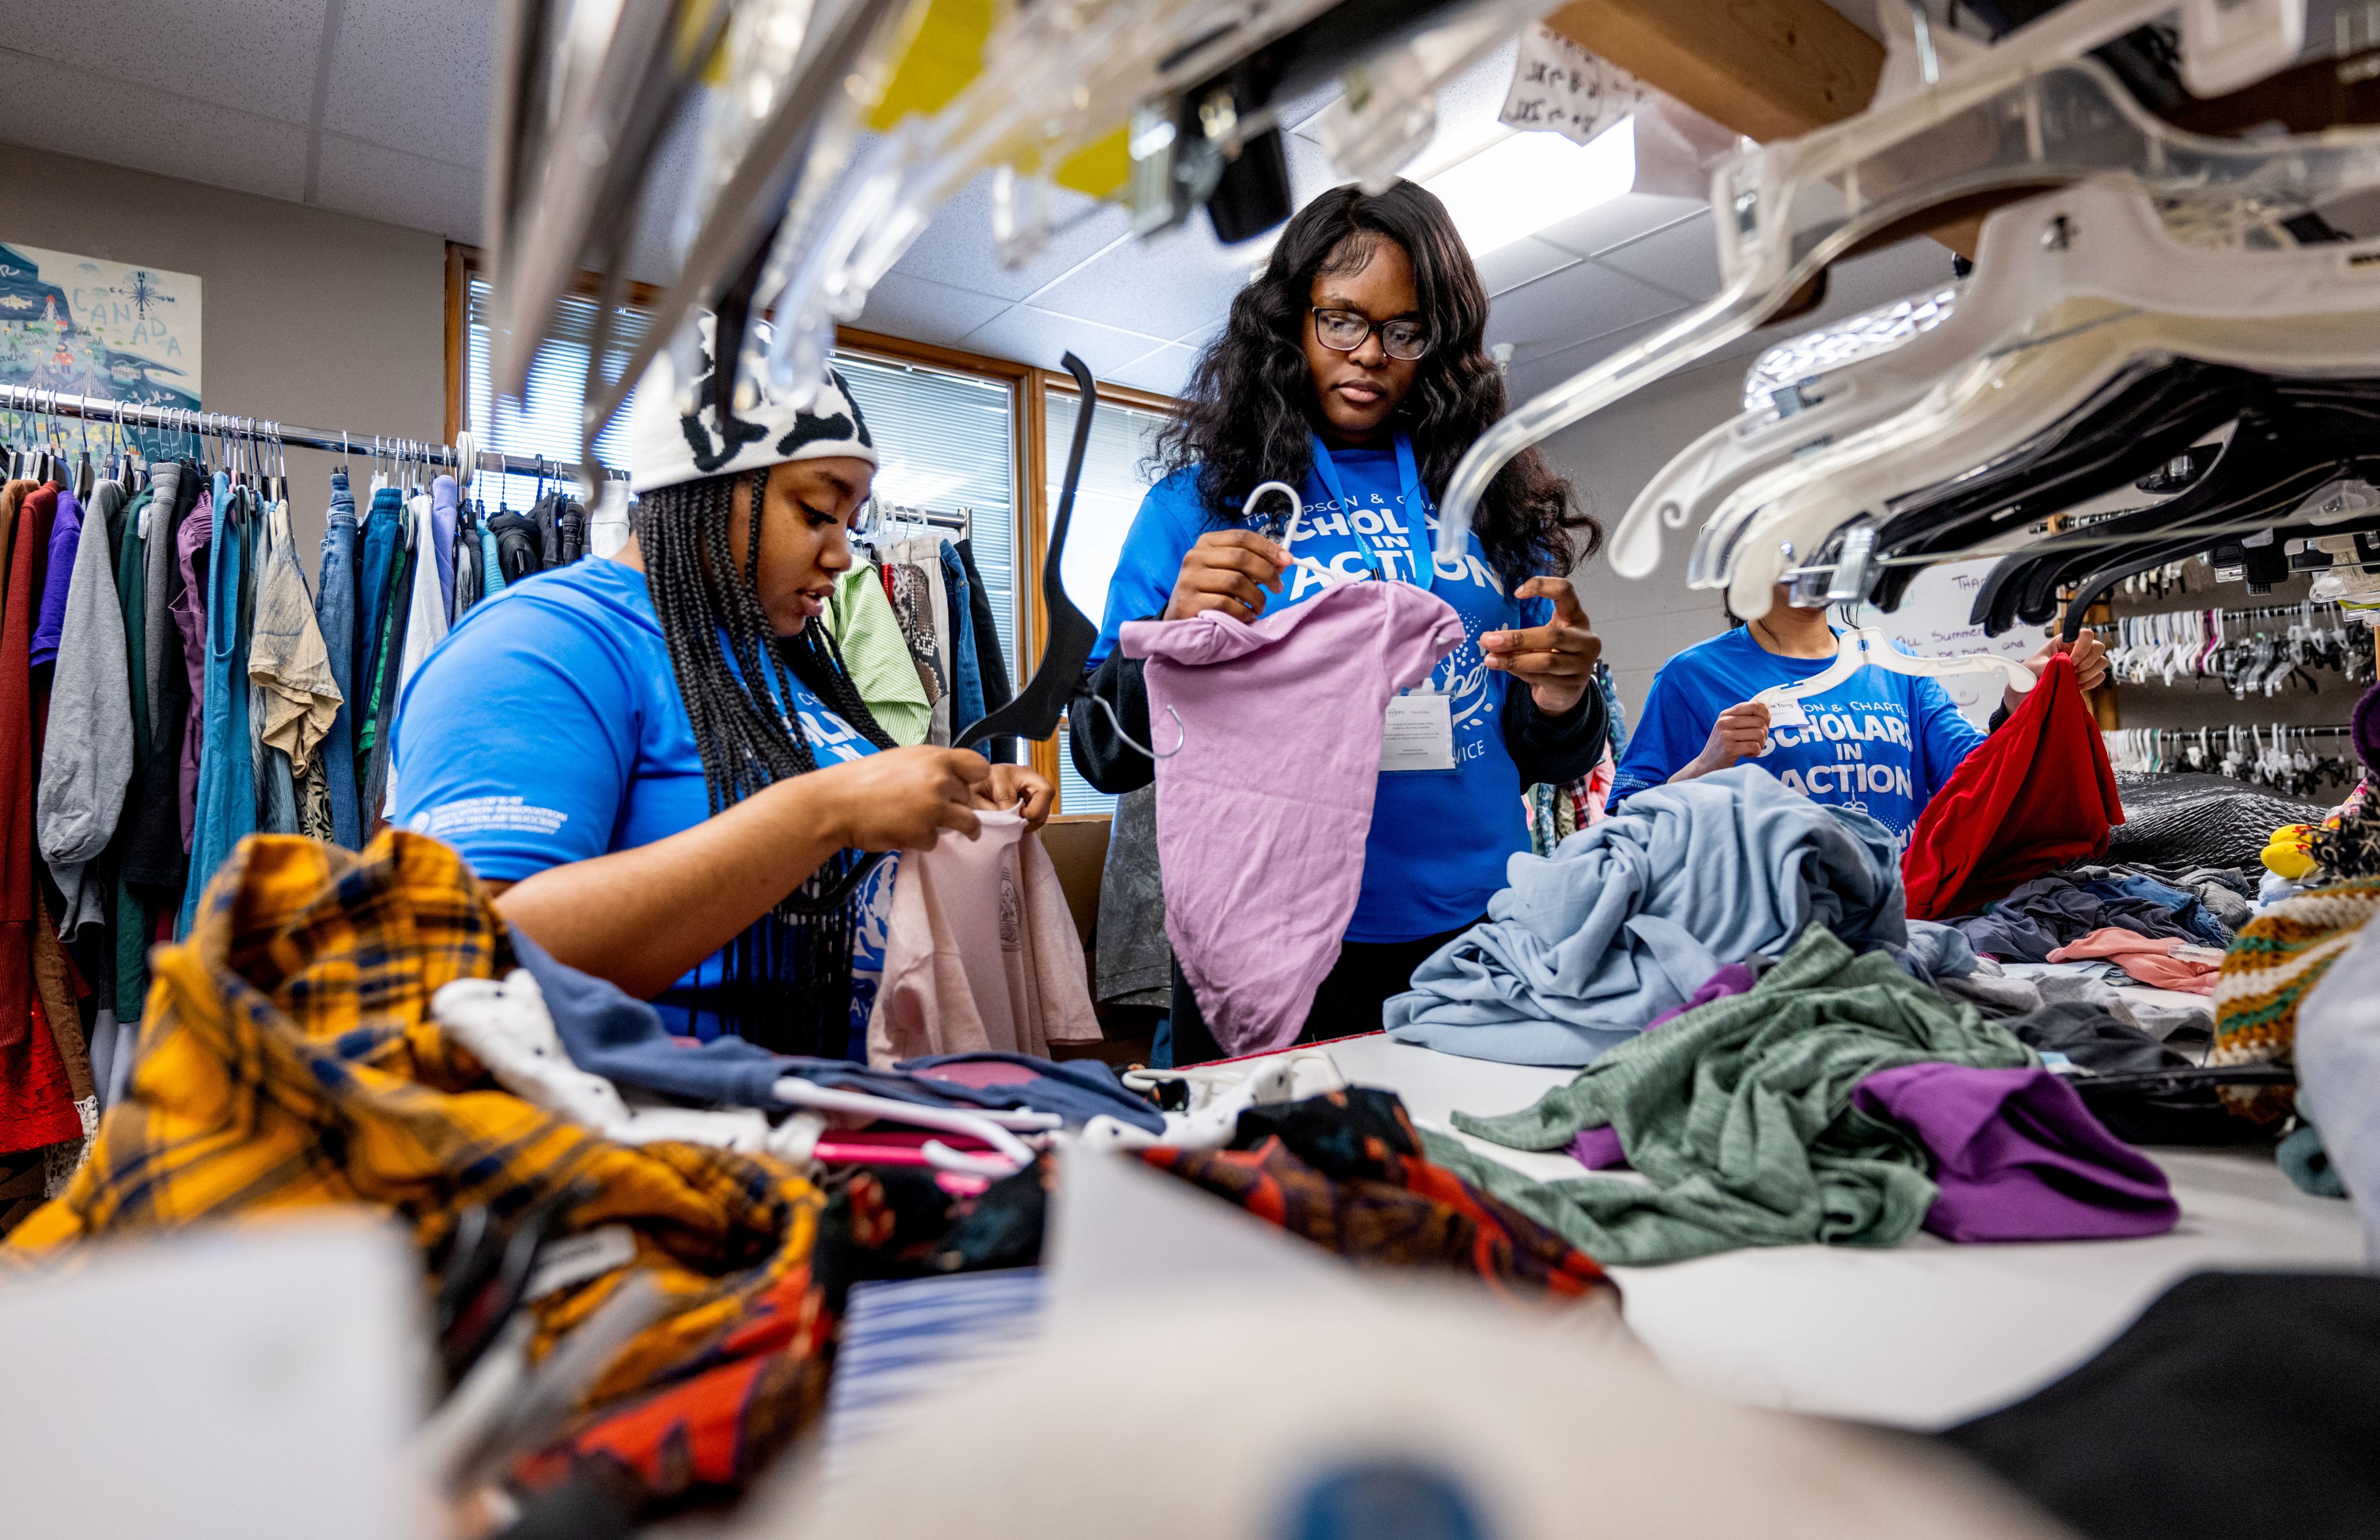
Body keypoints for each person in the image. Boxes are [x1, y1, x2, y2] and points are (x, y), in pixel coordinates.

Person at [392, 317, 1052, 1057]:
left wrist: (959, 799)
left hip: (824, 1131)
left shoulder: (773, 666)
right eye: (817, 511)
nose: (842, 553)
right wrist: (826, 810)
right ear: (703, 488)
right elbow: (466, 962)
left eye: (853, 521)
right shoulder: (539, 645)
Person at [1071, 180, 1610, 1064]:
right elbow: (1106, 750)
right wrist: (1173, 626)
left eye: (1405, 331)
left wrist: (1563, 698)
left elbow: (1552, 758)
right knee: (1268, 1191)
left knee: (1463, 1179)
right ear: (1292, 321)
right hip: (1262, 930)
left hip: (1474, 925)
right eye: (1342, 321)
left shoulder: (1488, 503)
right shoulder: (1197, 506)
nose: (1370, 355)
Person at [1610, 583, 2110, 837]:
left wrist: (2020, 704)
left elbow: (1977, 778)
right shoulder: (1692, 676)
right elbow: (1627, 826)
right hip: (1776, 934)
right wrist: (1706, 765)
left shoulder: (1897, 667)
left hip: (1907, 918)